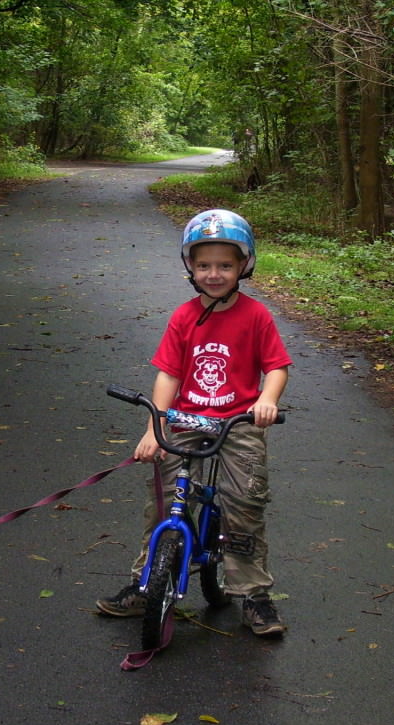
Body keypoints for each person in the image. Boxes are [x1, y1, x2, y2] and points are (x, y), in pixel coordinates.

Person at [97, 209, 292, 636]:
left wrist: (266, 400)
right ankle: (147, 582)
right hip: (186, 417)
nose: (214, 274)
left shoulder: (256, 316)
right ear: (190, 266)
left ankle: (253, 593)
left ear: (244, 265)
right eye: (204, 265)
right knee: (165, 500)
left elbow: (277, 367)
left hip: (238, 420)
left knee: (244, 501)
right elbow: (169, 374)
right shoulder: (184, 317)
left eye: (225, 265)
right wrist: (155, 429)